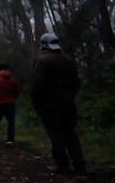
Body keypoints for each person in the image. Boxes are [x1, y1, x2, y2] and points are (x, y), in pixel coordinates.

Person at [31, 33, 85, 175]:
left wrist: (37, 104)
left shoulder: (42, 61)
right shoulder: (69, 61)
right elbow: (77, 84)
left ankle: (62, 165)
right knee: (70, 134)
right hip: (68, 104)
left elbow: (37, 85)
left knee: (56, 134)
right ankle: (79, 165)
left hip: (50, 105)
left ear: (44, 45)